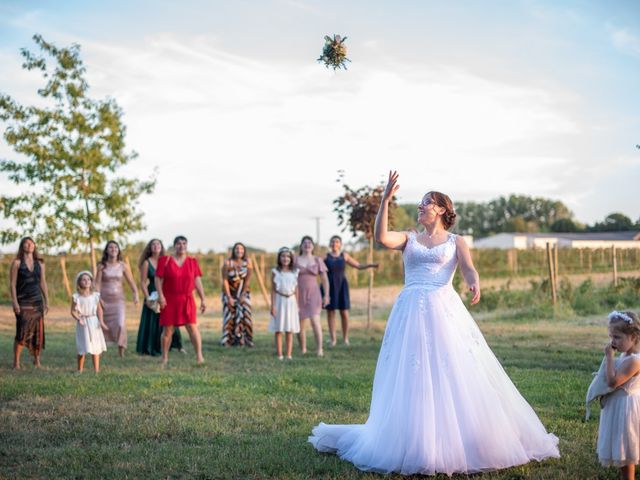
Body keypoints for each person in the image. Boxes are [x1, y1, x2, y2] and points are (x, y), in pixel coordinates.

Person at [309, 171, 560, 475]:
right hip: (410, 311)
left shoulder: (456, 241)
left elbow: (469, 269)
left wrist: (473, 283)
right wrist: (386, 200)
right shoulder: (409, 238)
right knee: (412, 372)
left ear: (441, 209)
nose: (421, 207)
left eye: (426, 203)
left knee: (451, 370)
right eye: (420, 203)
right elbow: (380, 237)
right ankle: (415, 439)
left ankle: (459, 438)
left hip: (444, 310)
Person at [598, 310, 640, 480]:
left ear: (633, 336)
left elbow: (613, 382)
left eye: (617, 337)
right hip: (618, 406)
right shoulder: (625, 355)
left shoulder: (635, 361)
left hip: (626, 410)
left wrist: (609, 358)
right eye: (611, 337)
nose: (612, 342)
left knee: (627, 451)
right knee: (622, 451)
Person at [156, 235, 206, 365]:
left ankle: (199, 357)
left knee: (192, 327)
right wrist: (160, 296)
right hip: (169, 299)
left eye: (184, 243)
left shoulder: (192, 262)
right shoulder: (164, 261)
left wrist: (203, 299)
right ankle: (164, 358)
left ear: (187, 246)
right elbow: (158, 279)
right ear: (174, 246)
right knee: (168, 330)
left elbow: (197, 281)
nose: (181, 246)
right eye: (179, 243)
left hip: (187, 299)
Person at [323, 235, 378, 347]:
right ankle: (333, 339)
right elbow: (315, 264)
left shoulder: (345, 256)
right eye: (332, 242)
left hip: (342, 285)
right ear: (330, 244)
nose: (335, 244)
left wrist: (371, 265)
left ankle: (345, 338)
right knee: (331, 312)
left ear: (340, 244)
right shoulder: (325, 256)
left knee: (344, 312)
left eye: (337, 242)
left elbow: (358, 265)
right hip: (330, 286)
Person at [136, 239, 184, 356]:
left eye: (158, 244)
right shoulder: (147, 263)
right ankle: (151, 346)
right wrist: (148, 298)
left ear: (161, 247)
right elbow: (143, 282)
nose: (156, 246)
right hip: (153, 294)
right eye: (153, 244)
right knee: (153, 321)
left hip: (167, 293)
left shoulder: (167, 260)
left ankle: (176, 345)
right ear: (150, 247)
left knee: (170, 321)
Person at [9, 237, 49, 369]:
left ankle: (37, 360)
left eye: (31, 243)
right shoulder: (16, 263)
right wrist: (15, 302)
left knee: (38, 331)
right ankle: (16, 362)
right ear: (22, 246)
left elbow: (43, 282)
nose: (29, 245)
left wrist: (47, 301)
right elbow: (12, 284)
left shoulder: (40, 263)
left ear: (34, 246)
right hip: (23, 301)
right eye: (26, 243)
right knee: (22, 331)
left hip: (37, 301)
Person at [95, 240, 139, 358]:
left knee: (120, 324)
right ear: (107, 250)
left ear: (118, 250)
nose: (113, 249)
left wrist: (135, 293)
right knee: (102, 325)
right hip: (104, 300)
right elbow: (97, 284)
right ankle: (99, 350)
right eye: (110, 247)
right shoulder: (101, 266)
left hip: (118, 300)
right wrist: (98, 299)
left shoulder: (123, 266)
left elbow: (131, 281)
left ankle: (121, 351)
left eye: (115, 247)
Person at [294, 236, 329, 357]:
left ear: (313, 246)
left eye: (310, 243)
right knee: (299, 323)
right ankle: (303, 348)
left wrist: (327, 295)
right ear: (301, 246)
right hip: (298, 294)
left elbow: (324, 279)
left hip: (314, 294)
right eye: (305, 243)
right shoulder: (295, 260)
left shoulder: (318, 260)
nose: (307, 244)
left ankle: (320, 349)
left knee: (315, 322)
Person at [71, 271, 108, 373]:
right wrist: (79, 319)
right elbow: (73, 311)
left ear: (91, 282)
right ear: (79, 282)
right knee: (82, 346)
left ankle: (96, 370)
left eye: (88, 279)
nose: (86, 281)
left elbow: (99, 309)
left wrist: (101, 321)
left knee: (95, 346)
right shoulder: (76, 297)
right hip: (83, 323)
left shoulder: (95, 296)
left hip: (93, 321)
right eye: (84, 279)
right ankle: (80, 369)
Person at [220, 242, 254, 347]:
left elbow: (247, 280)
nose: (239, 251)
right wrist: (229, 297)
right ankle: (228, 339)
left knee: (245, 313)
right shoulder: (227, 263)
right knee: (230, 314)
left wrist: (243, 295)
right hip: (229, 292)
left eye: (241, 249)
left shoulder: (248, 263)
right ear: (234, 250)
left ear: (244, 251)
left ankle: (245, 339)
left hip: (243, 291)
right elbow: (225, 280)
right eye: (237, 249)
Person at [268, 247, 300, 360]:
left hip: (291, 301)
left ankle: (289, 354)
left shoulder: (295, 272)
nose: (285, 258)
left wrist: (298, 304)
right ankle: (280, 355)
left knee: (289, 329)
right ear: (279, 258)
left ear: (291, 258)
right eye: (283, 256)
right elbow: (272, 290)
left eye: (288, 256)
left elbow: (296, 289)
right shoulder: (275, 272)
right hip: (279, 300)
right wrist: (273, 305)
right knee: (279, 329)